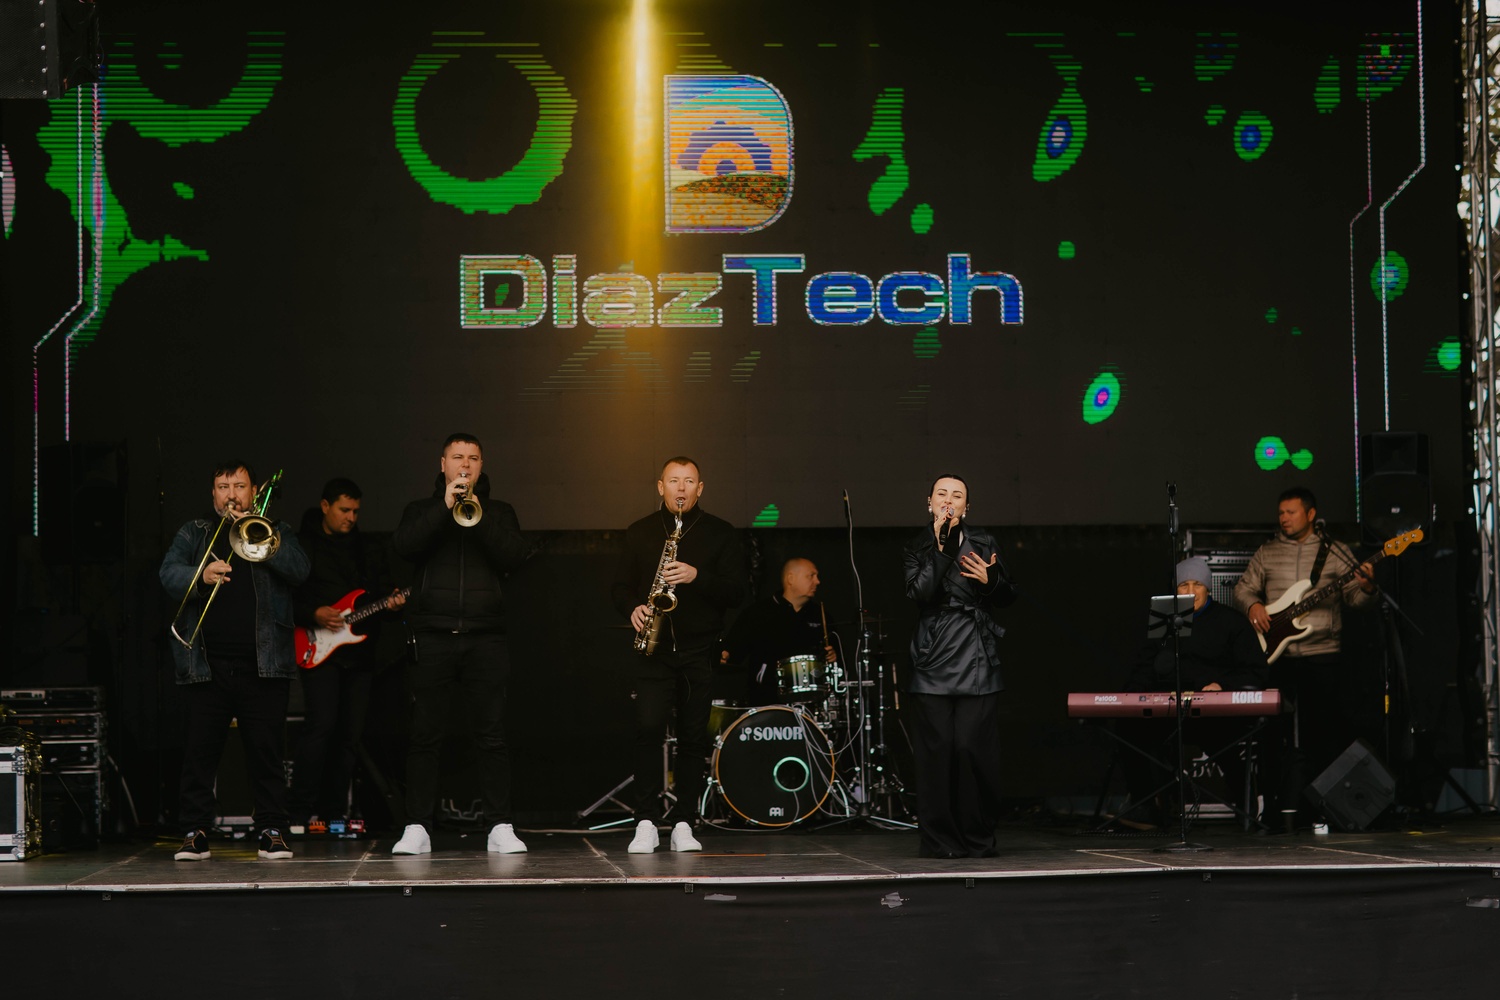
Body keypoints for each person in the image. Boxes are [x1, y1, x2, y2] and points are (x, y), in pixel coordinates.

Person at [159, 460, 310, 861]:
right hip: (206, 666)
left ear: (254, 492)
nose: (231, 495)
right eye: (223, 487)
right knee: (199, 754)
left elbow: (300, 571)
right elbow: (167, 574)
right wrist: (201, 575)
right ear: (213, 494)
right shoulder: (195, 532)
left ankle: (272, 830)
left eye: (239, 486)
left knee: (266, 753)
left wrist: (263, 541)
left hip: (264, 666)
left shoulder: (276, 529)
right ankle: (195, 831)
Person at [389, 433, 531, 855]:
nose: (465, 465)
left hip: (486, 638)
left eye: (472, 458)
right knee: (425, 736)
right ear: (443, 464)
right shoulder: (421, 510)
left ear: (482, 465)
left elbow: (514, 557)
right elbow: (403, 547)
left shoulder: (499, 512)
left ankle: (499, 825)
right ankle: (417, 826)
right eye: (457, 457)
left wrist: (478, 515)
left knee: (491, 736)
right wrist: (444, 508)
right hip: (433, 636)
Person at [616, 457, 744, 854]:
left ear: (700, 489)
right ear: (661, 487)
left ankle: (684, 823)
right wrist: (632, 607)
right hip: (653, 650)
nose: (682, 488)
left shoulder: (721, 533)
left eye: (689, 481)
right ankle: (645, 822)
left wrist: (696, 576)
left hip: (698, 650)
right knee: (648, 731)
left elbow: (737, 592)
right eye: (674, 481)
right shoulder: (639, 531)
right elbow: (619, 587)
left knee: (692, 737)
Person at [1232, 486, 1376, 827]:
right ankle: (1274, 807)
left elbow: (1355, 600)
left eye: (1291, 512)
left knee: (1323, 736)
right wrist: (1253, 606)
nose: (1283, 518)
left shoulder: (1336, 552)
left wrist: (1368, 587)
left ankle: (1320, 809)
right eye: (1281, 513)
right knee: (1272, 735)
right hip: (1276, 658)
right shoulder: (1268, 552)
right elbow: (1242, 588)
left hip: (1322, 654)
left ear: (1311, 514)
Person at [903, 474, 1015, 858]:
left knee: (972, 748)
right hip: (933, 655)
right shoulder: (916, 546)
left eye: (957, 495)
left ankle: (977, 836)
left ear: (967, 507)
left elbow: (1008, 595)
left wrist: (991, 581)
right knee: (937, 754)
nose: (948, 500)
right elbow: (920, 593)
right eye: (942, 494)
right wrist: (942, 549)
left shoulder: (984, 541)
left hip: (976, 654)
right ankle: (940, 841)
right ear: (929, 503)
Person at [1117, 556, 1269, 828]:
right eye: (1183, 585)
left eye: (1197, 584)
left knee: (1226, 746)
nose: (1189, 591)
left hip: (1214, 714)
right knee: (1129, 729)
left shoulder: (1230, 622)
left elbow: (1255, 671)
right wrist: (1131, 696)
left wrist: (1222, 685)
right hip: (1168, 712)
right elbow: (1145, 667)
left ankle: (1246, 807)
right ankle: (1145, 805)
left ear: (1208, 588)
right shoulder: (1164, 621)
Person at [289, 477, 406, 829]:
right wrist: (313, 613)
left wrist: (393, 605)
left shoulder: (367, 549)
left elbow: (382, 597)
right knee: (320, 727)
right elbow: (284, 598)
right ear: (325, 506)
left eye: (355, 511)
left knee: (349, 737)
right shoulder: (301, 546)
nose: (351, 517)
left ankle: (334, 814)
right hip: (318, 648)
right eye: (344, 510)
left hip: (360, 655)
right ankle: (297, 813)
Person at [721, 558, 837, 706]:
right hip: (766, 701)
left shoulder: (821, 615)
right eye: (811, 576)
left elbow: (837, 658)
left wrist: (833, 655)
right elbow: (733, 652)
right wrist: (726, 654)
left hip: (813, 702)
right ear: (791, 579)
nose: (817, 581)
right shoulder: (758, 613)